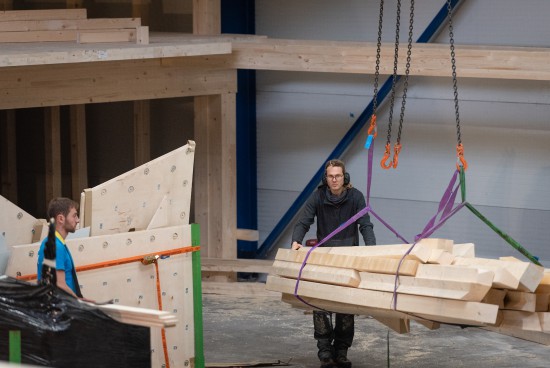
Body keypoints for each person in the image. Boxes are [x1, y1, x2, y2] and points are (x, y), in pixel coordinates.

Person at [291, 159, 376, 368]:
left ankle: (341, 352)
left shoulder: (356, 197)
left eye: (338, 175)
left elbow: (365, 225)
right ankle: (325, 353)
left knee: (345, 308)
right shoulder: (318, 197)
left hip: (349, 258)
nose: (335, 179)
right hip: (324, 258)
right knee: (320, 306)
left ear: (344, 177)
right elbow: (304, 220)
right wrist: (296, 241)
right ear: (326, 179)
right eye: (331, 176)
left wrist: (372, 249)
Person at [37, 197, 90, 301]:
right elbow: (59, 284)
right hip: (60, 308)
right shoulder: (56, 245)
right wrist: (79, 304)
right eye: (74, 216)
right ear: (61, 219)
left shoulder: (54, 242)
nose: (78, 220)